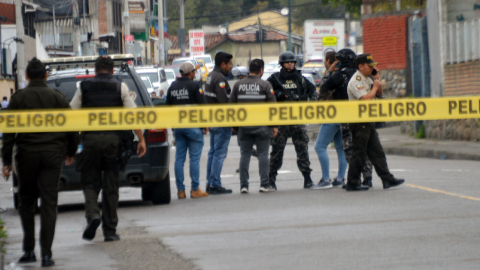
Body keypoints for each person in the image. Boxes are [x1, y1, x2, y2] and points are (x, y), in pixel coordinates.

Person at [1, 57, 79, 267]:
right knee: (49, 203)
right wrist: (70, 152)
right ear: (46, 75)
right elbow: (72, 127)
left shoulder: (18, 98)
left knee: (26, 202)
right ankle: (46, 254)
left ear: (26, 75)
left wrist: (6, 161)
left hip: (26, 155)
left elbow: (8, 132)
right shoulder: (57, 97)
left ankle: (28, 250)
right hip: (52, 156)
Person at [70, 55, 147, 241]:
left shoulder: (83, 87)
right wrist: (141, 139)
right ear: (112, 70)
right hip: (113, 142)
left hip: (89, 141)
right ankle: (110, 231)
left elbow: (70, 115)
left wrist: (70, 146)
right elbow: (133, 116)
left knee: (89, 182)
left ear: (95, 70)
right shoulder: (120, 86)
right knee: (111, 186)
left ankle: (93, 215)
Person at [345, 54, 405, 191]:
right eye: (369, 65)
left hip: (368, 121)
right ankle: (352, 182)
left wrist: (377, 81)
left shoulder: (367, 79)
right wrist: (374, 87)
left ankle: (387, 179)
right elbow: (366, 99)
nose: (372, 67)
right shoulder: (356, 80)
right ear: (361, 66)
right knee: (359, 153)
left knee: (377, 152)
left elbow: (379, 95)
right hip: (359, 122)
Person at [267, 51, 318, 190]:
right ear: (282, 64)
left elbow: (313, 92)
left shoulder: (300, 78)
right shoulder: (275, 78)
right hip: (281, 119)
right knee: (277, 150)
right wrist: (277, 95)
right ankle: (271, 180)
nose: (290, 64)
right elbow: (266, 93)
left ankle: (307, 178)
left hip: (297, 118)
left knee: (302, 149)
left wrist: (310, 107)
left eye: (292, 62)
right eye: (288, 62)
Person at [229, 59, 279, 193]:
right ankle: (264, 184)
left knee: (244, 155)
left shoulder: (238, 85)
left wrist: (234, 125)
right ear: (261, 70)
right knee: (263, 155)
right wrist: (274, 126)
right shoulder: (266, 85)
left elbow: (231, 107)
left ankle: (243, 186)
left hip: (244, 127)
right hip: (262, 127)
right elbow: (272, 108)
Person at [167, 62, 209, 199]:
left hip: (178, 127)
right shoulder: (194, 85)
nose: (194, 74)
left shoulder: (172, 86)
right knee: (194, 159)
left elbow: (168, 108)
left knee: (179, 159)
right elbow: (202, 105)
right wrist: (205, 124)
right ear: (190, 72)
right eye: (194, 72)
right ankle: (195, 189)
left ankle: (180, 191)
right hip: (193, 126)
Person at [311, 50, 348, 189]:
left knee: (319, 147)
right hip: (342, 115)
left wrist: (327, 74)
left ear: (328, 61)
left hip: (331, 115)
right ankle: (340, 178)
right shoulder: (343, 75)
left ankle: (326, 179)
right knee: (340, 148)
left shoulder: (331, 76)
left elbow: (323, 90)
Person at [204, 52, 234, 195]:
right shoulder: (220, 78)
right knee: (219, 153)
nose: (231, 66)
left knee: (213, 153)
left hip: (212, 119)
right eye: (230, 64)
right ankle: (215, 184)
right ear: (223, 64)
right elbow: (224, 102)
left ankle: (210, 183)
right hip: (221, 120)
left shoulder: (210, 76)